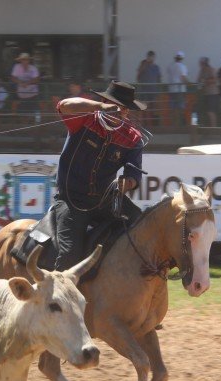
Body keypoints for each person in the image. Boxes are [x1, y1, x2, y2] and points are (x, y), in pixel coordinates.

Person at [52, 81, 147, 271]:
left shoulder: (133, 137)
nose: (120, 112)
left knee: (143, 226)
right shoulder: (85, 119)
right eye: (115, 106)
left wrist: (126, 184)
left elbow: (134, 174)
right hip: (71, 199)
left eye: (124, 109)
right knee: (69, 255)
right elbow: (63, 106)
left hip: (105, 200)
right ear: (104, 101)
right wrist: (98, 107)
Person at [166, 51, 189, 126]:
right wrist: (189, 84)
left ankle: (174, 124)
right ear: (182, 58)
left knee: (173, 108)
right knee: (180, 108)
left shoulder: (170, 66)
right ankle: (178, 125)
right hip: (180, 90)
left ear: (175, 58)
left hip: (171, 90)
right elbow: (183, 78)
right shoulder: (182, 66)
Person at [197, 57, 219, 127]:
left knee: (211, 112)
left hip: (212, 93)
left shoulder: (211, 70)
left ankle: (213, 129)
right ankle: (208, 128)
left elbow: (215, 80)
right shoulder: (202, 70)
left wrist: (205, 81)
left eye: (201, 63)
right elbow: (199, 80)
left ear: (204, 63)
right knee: (206, 111)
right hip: (205, 93)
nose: (199, 64)